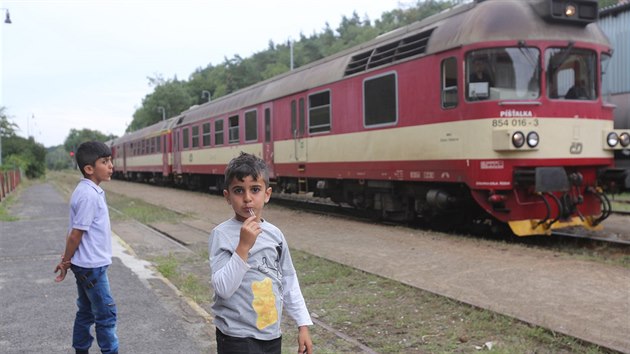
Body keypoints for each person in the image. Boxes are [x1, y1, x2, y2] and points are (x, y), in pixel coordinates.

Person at [209, 152, 313, 354]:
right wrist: (243, 247)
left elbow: (289, 281)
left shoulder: (275, 235)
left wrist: (303, 325)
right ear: (227, 197)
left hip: (271, 334)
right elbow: (223, 288)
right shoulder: (221, 235)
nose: (247, 198)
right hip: (236, 337)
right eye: (239, 190)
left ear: (267, 194)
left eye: (255, 189)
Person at [54, 141, 118, 354]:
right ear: (89, 169)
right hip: (92, 266)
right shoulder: (89, 195)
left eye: (110, 161)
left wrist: (67, 259)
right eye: (105, 162)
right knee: (106, 315)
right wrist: (65, 261)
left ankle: (80, 349)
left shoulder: (88, 191)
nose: (111, 165)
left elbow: (74, 231)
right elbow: (75, 234)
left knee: (86, 313)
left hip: (87, 264)